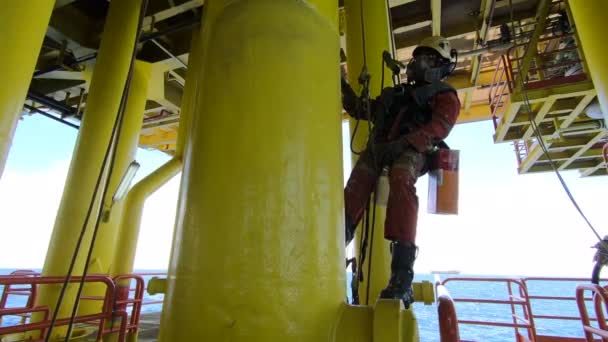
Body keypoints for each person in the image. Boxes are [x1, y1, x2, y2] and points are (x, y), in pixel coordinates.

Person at [341, 36, 461, 306]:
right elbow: (362, 109)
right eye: (418, 58)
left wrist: (405, 143)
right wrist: (343, 86)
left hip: (413, 150)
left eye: (428, 59)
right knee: (359, 180)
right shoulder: (395, 96)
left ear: (441, 66)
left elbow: (439, 127)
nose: (418, 63)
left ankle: (402, 278)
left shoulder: (444, 95)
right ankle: (338, 238)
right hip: (382, 147)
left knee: (401, 175)